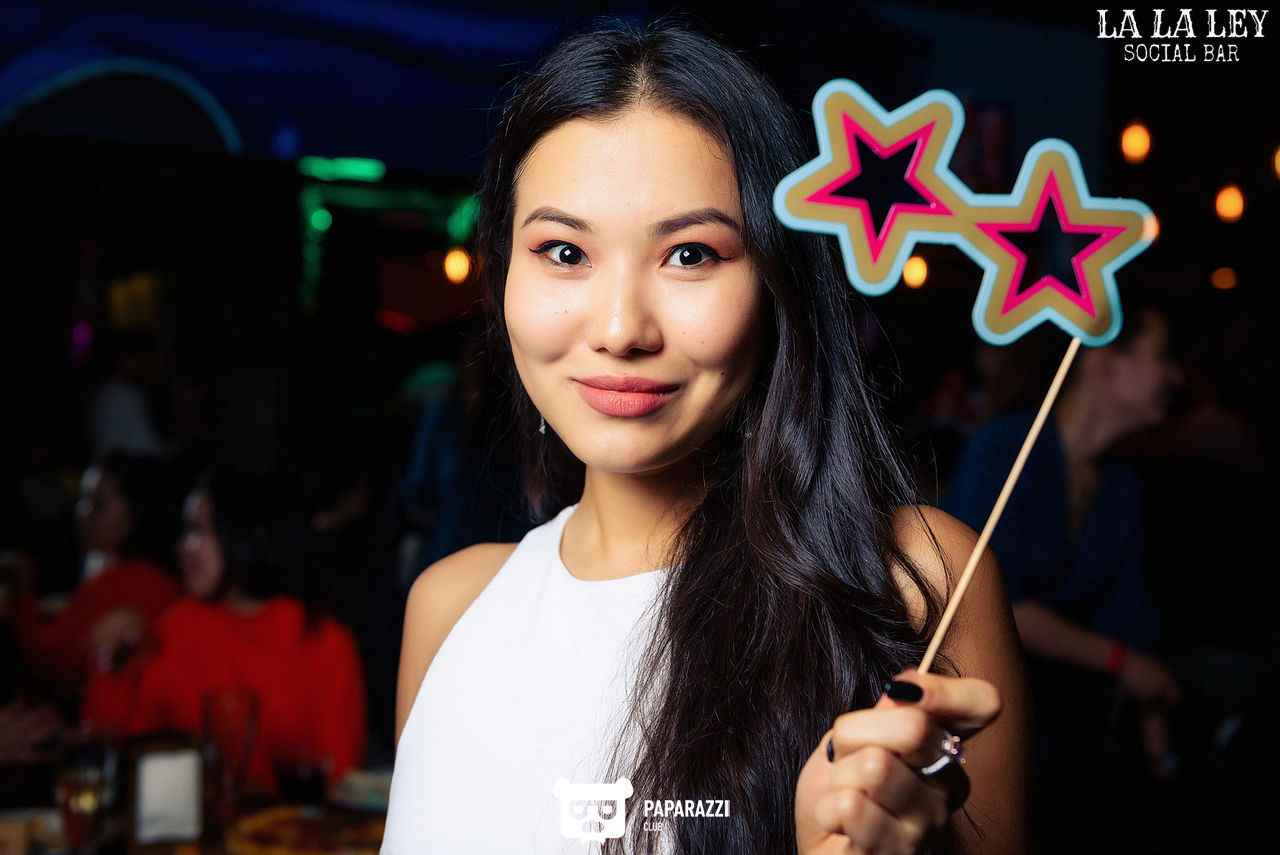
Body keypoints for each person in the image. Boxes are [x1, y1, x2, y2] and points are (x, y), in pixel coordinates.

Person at [383, 22, 1030, 855]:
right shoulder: (448, 609)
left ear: (776, 284)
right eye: (564, 251)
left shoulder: (913, 579)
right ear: (502, 274)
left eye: (690, 254)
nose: (621, 328)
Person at [941, 306, 1183, 850]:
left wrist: (1160, 752)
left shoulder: (1122, 488)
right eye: (1164, 355)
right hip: (966, 725)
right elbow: (983, 604)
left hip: (1059, 732)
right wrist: (1121, 662)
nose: (1176, 375)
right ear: (1102, 361)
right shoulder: (1006, 447)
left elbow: (1131, 623)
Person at [82, 469, 367, 796]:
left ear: (244, 533)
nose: (181, 547)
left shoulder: (323, 641)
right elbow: (122, 747)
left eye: (197, 530)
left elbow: (340, 779)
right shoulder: (178, 626)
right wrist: (112, 666)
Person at [7, 453, 181, 698]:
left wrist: (22, 591)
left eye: (97, 504)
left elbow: (52, 656)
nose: (82, 513)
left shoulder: (131, 580)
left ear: (135, 514)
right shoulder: (147, 574)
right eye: (82, 500)